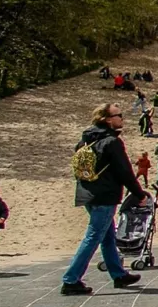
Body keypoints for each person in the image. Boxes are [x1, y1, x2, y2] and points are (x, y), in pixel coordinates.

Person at [61, 104, 146, 294]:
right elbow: (124, 171)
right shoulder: (111, 142)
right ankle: (71, 280)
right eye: (119, 115)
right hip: (104, 196)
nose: (122, 119)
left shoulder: (84, 141)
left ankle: (118, 274)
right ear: (108, 119)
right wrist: (139, 194)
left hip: (87, 194)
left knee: (107, 237)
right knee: (93, 236)